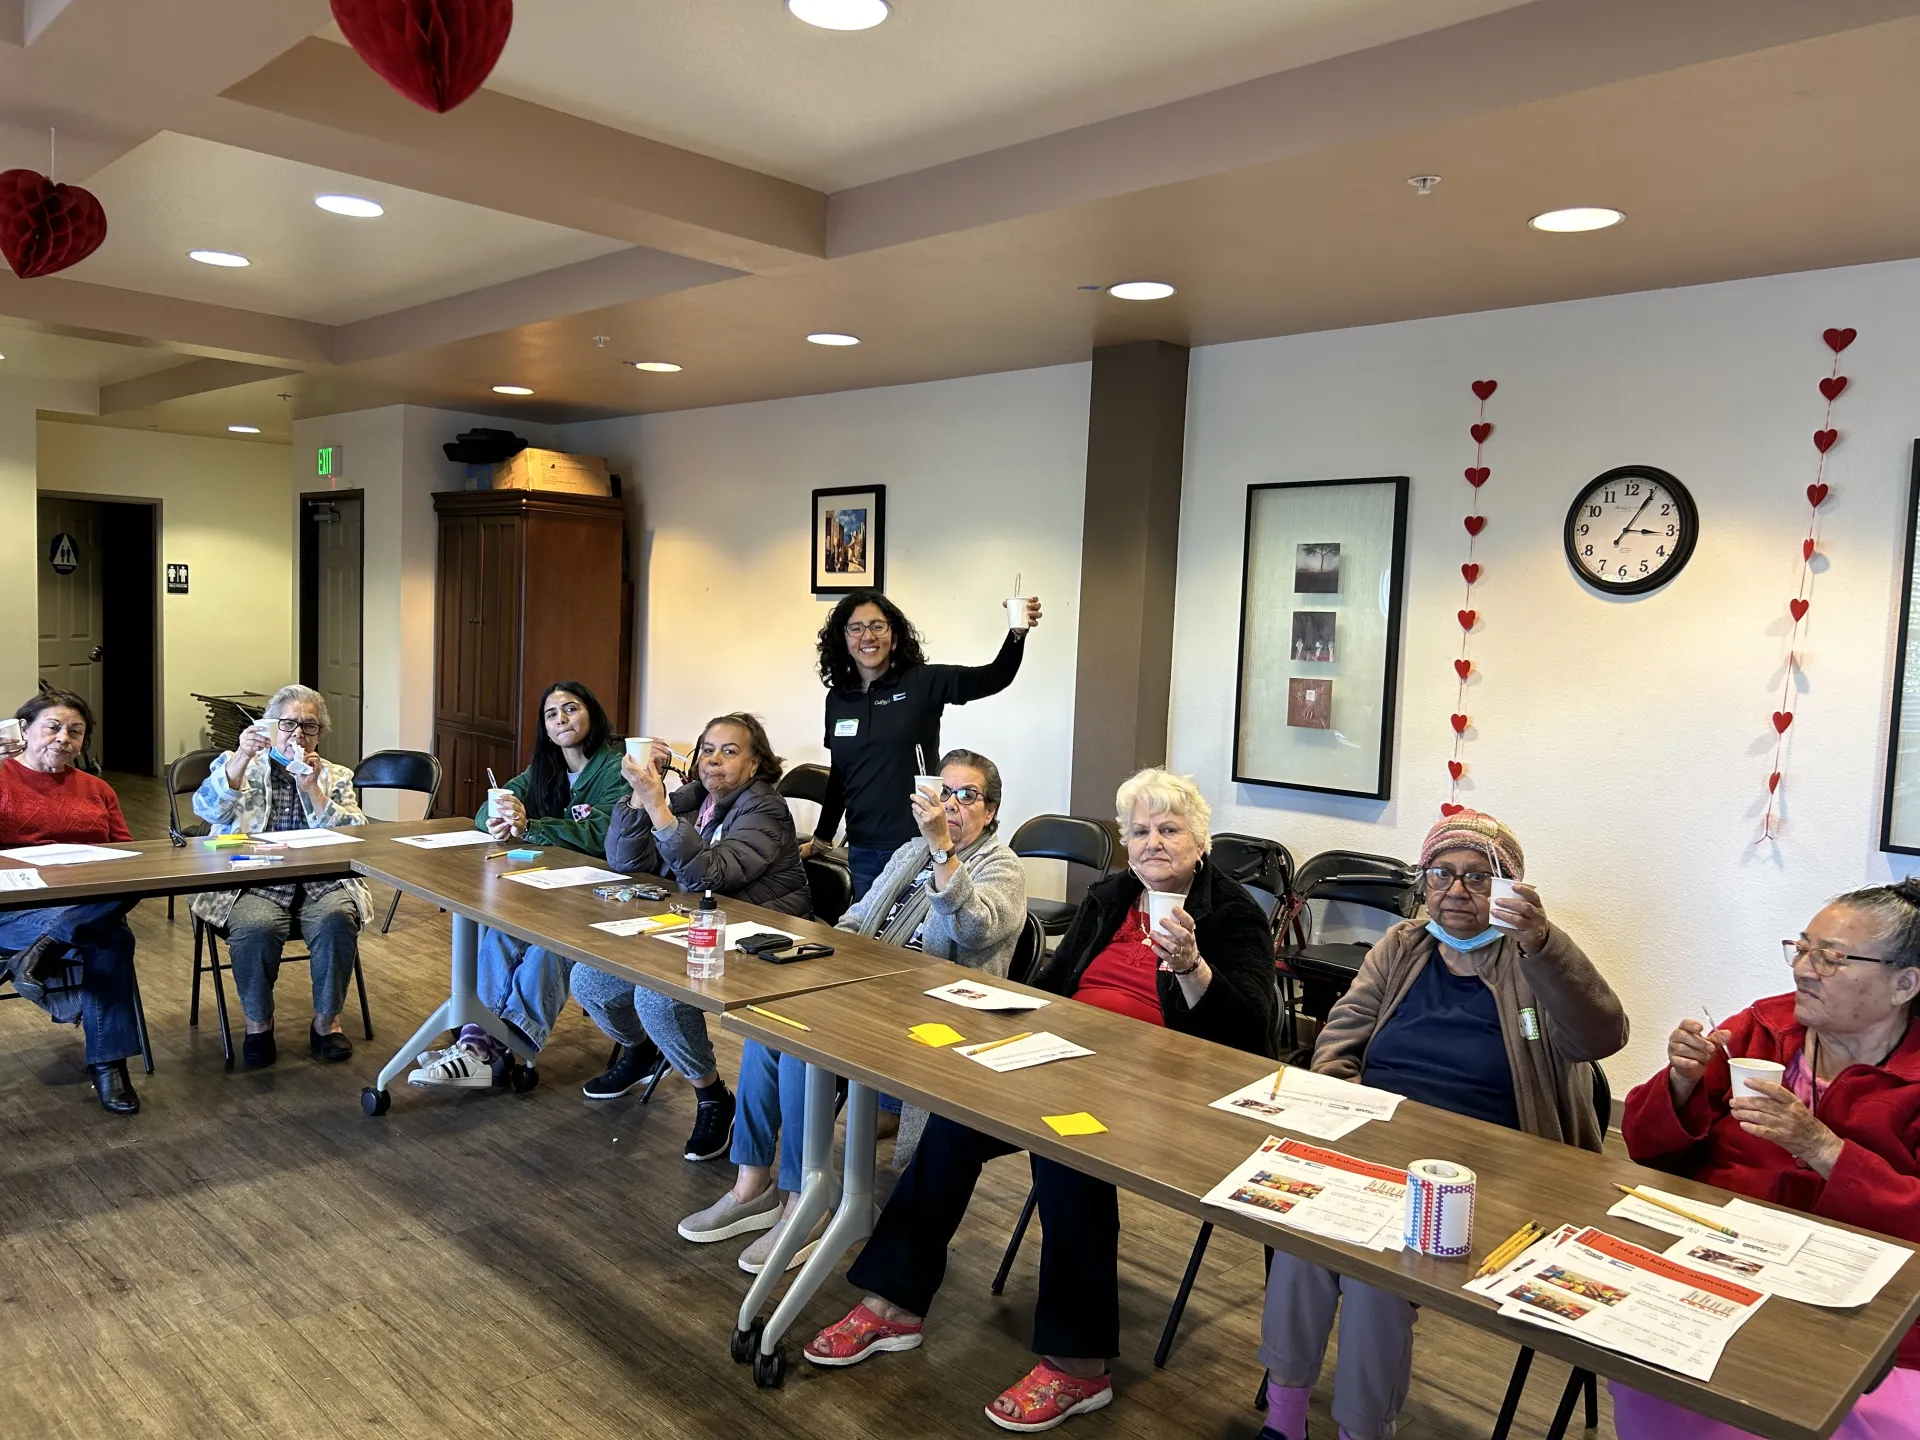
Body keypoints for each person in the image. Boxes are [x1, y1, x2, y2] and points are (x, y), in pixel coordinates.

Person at [804, 767, 1277, 1433]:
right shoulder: (1114, 894)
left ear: (1200, 840)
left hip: (1170, 1088)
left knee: (1066, 1146)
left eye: (1169, 829)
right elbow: (1056, 983)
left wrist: (1193, 968)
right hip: (1071, 1058)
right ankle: (894, 1303)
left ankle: (1079, 1365)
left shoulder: (1229, 915)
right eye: (1139, 831)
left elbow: (1252, 1033)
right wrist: (1016, 1018)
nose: (1153, 843)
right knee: (955, 1119)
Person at [1254, 809, 1627, 1440]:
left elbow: (1603, 1034)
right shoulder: (1403, 946)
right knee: (1302, 1237)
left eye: (1479, 878)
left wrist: (1544, 944)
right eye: (1441, 874)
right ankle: (1285, 1421)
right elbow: (1339, 1036)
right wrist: (1348, 1105)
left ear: (1509, 889)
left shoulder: (1529, 959)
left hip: (1490, 1174)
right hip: (1381, 1146)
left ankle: (1360, 1430)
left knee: (1378, 1276)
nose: (1456, 891)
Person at [676, 747, 1026, 1276]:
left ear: (991, 810)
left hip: (932, 1011)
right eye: (943, 791)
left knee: (803, 1051)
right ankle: (752, 1184)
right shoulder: (910, 850)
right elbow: (859, 917)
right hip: (863, 984)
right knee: (766, 1029)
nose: (951, 804)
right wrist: (827, 956)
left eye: (967, 795)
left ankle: (804, 1204)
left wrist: (942, 854)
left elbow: (974, 930)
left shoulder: (1002, 867)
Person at [1616, 880, 1920, 1440]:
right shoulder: (1762, 1029)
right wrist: (1680, 1084)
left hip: (1872, 1309)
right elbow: (1645, 1147)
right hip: (1723, 1270)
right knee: (1648, 1375)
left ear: (1904, 983)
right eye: (1801, 948)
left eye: (1831, 957)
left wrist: (1824, 1150)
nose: (1804, 969)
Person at [571, 712, 809, 1163]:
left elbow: (710, 876)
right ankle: (641, 1053)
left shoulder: (765, 808)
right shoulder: (695, 796)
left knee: (658, 998)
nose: (714, 760)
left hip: (755, 942)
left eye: (730, 751)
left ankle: (711, 1094)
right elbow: (623, 859)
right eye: (707, 750)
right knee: (590, 980)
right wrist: (640, 798)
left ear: (756, 764)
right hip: (691, 929)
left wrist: (659, 806)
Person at [409, 681, 627, 1087]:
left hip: (597, 895)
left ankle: (497, 1045)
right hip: (544, 887)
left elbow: (602, 836)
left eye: (571, 708)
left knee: (547, 947)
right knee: (499, 932)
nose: (561, 718)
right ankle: (479, 1045)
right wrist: (499, 816)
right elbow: (485, 812)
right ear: (544, 728)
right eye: (551, 714)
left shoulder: (616, 769)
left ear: (592, 715)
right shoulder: (544, 768)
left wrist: (534, 827)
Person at [810, 589, 1041, 905]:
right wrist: (823, 837)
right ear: (844, 638)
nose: (868, 636)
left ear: (894, 634)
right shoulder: (838, 699)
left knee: (913, 941)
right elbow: (840, 774)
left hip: (917, 842)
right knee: (873, 942)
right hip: (862, 848)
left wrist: (1017, 634)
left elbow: (994, 677)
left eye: (878, 626)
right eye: (856, 627)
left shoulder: (922, 682)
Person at [191, 684, 369, 1069]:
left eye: (310, 726)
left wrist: (314, 792)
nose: (299, 735)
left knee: (338, 919)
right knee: (255, 927)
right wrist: (240, 756)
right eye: (288, 724)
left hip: (320, 880)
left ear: (320, 733)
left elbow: (357, 834)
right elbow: (206, 810)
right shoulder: (240, 764)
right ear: (270, 727)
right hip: (251, 880)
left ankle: (327, 1023)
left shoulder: (335, 775)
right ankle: (259, 1025)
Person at [0, 688, 143, 1115]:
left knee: (125, 893)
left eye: (75, 732)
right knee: (112, 939)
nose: (64, 737)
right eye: (53, 726)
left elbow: (130, 857)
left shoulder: (97, 789)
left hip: (87, 902)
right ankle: (109, 1066)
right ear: (24, 729)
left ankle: (50, 947)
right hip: (14, 909)